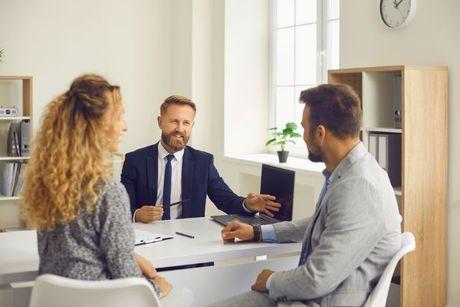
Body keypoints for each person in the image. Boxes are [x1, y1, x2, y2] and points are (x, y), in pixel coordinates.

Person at [209, 84, 402, 307]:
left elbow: (316, 280)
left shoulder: (359, 186)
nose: (303, 136)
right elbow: (320, 223)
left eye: (304, 128)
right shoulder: (351, 172)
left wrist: (271, 280)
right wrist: (257, 232)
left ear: (320, 133)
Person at [22, 74, 193, 306]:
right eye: (119, 116)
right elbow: (127, 276)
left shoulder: (50, 180)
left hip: (55, 298)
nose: (124, 126)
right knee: (184, 294)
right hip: (103, 300)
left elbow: (78, 249)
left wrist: (130, 255)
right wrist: (157, 284)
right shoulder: (107, 191)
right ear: (98, 125)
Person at [121, 95, 281, 223]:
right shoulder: (135, 160)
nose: (180, 129)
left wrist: (247, 204)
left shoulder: (203, 162)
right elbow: (121, 211)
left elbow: (226, 200)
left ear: (192, 125)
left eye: (186, 123)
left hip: (190, 240)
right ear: (160, 122)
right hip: (148, 239)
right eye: (174, 121)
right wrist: (137, 214)